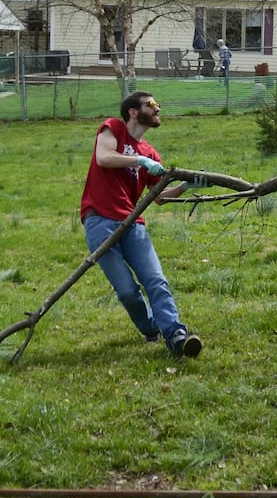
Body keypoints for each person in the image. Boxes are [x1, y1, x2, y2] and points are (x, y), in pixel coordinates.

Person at [80, 90, 204, 358]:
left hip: (133, 223)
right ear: (134, 112)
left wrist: (185, 185)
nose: (158, 109)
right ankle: (151, 328)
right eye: (152, 105)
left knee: (156, 281)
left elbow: (158, 198)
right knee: (127, 291)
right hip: (99, 220)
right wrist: (138, 160)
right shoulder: (113, 128)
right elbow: (103, 157)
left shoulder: (151, 153)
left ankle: (176, 336)